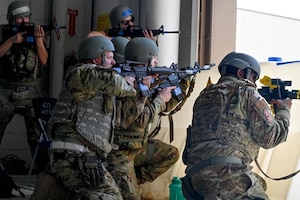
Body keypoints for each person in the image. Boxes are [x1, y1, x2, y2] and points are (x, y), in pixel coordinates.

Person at [31, 36, 137, 200]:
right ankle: (58, 190)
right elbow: (115, 82)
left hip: (82, 156)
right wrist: (131, 84)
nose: (114, 62)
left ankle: (57, 189)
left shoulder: (97, 84)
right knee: (111, 197)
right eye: (109, 57)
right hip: (73, 155)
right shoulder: (81, 72)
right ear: (96, 57)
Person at [181, 52, 292, 200]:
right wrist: (284, 110)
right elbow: (270, 138)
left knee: (259, 184)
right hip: (226, 174)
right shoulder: (246, 92)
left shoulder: (203, 96)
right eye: (253, 77)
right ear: (241, 72)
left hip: (195, 179)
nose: (255, 83)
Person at [107, 37, 189, 200]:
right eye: (154, 59)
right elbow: (138, 120)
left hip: (137, 147)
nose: (157, 62)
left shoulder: (142, 81)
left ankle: (132, 181)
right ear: (145, 60)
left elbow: (164, 107)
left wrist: (183, 83)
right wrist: (159, 98)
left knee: (170, 154)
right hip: (120, 152)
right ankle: (125, 183)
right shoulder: (125, 83)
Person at [0, 1, 49, 173]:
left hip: (30, 92)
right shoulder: (3, 32)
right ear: (11, 19)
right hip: (5, 91)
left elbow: (43, 60)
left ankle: (40, 174)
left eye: (26, 17)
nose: (23, 20)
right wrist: (12, 40)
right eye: (19, 18)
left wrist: (39, 40)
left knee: (38, 135)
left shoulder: (37, 33)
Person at [88, 5, 156, 41]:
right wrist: (118, 40)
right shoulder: (109, 34)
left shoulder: (135, 36)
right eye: (126, 22)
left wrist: (149, 43)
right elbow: (90, 35)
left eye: (132, 20)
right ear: (117, 25)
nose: (131, 24)